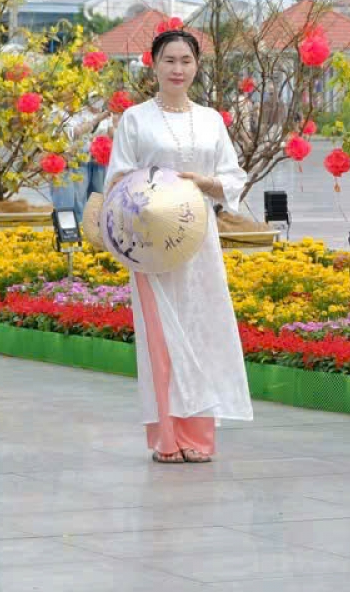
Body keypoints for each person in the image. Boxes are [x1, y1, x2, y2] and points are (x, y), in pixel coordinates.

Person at [105, 30, 252, 463]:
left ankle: (199, 437)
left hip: (199, 239)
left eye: (186, 60)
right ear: (153, 65)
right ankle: (166, 438)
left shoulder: (210, 120)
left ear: (196, 66)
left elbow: (232, 177)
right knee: (162, 335)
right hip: (151, 243)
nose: (177, 69)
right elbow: (117, 177)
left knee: (201, 329)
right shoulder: (135, 119)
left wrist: (203, 183)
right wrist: (152, 194)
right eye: (169, 60)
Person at [49, 97, 114, 221]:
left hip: (83, 160)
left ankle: (84, 226)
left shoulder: (73, 113)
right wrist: (97, 119)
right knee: (68, 203)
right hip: (65, 162)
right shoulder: (56, 112)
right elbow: (75, 133)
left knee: (83, 199)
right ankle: (71, 227)